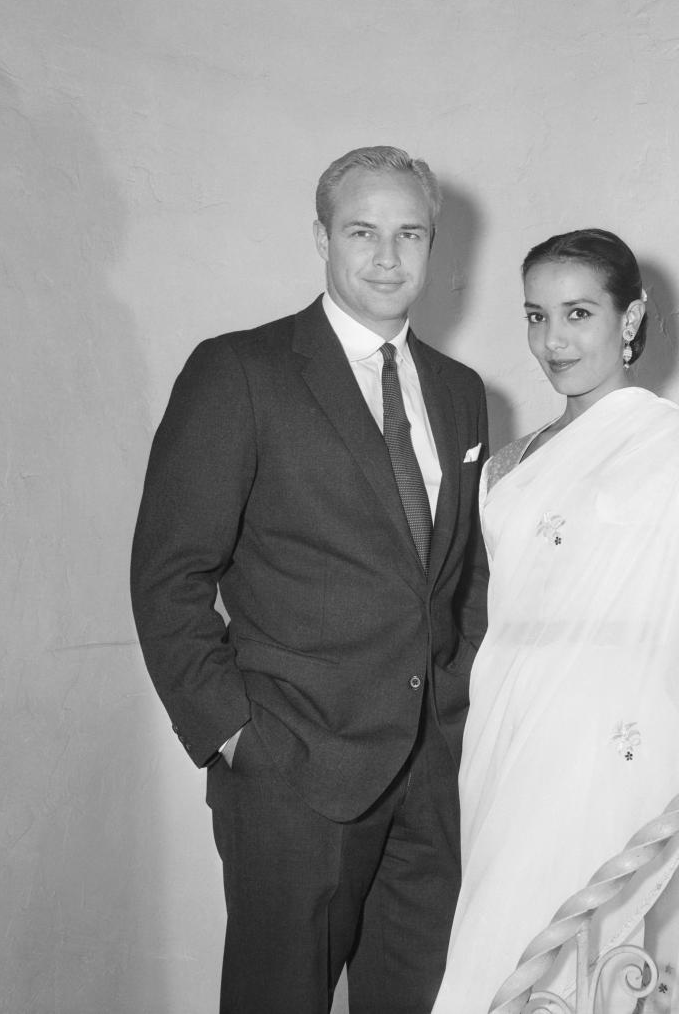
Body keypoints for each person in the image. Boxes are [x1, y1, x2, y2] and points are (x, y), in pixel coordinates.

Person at [131, 146, 489, 1014]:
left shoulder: (460, 391)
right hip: (294, 769)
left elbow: (461, 577)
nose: (387, 256)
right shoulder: (241, 371)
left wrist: (461, 717)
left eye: (410, 233)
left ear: (434, 247)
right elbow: (169, 574)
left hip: (431, 769)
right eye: (362, 230)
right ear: (321, 238)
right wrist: (234, 734)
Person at [431, 228, 679, 1013]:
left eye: (577, 314)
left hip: (612, 747)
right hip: (508, 739)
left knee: (580, 958)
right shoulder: (507, 466)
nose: (553, 340)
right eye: (536, 316)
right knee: (501, 948)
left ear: (630, 318)